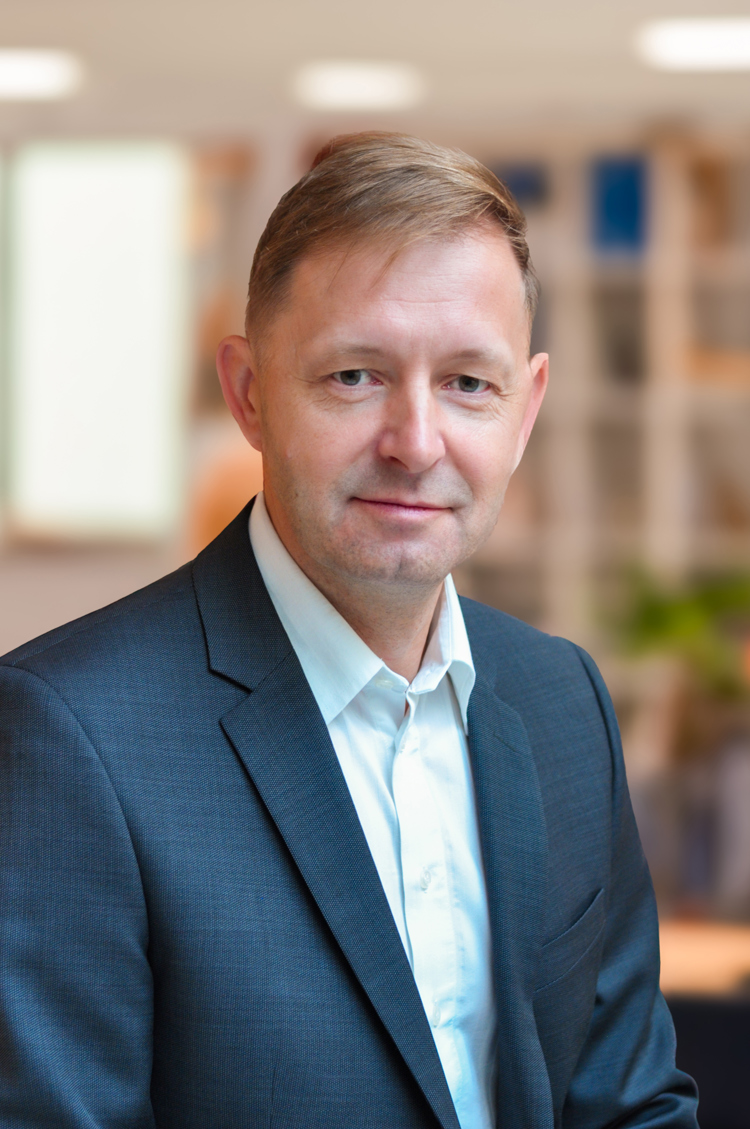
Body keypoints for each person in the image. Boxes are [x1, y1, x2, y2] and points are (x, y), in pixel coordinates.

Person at [0, 133, 698, 1129]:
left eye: (469, 383)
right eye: (354, 376)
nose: (416, 443)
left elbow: (629, 1104)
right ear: (249, 393)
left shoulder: (560, 701)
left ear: (527, 408)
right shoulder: (70, 736)